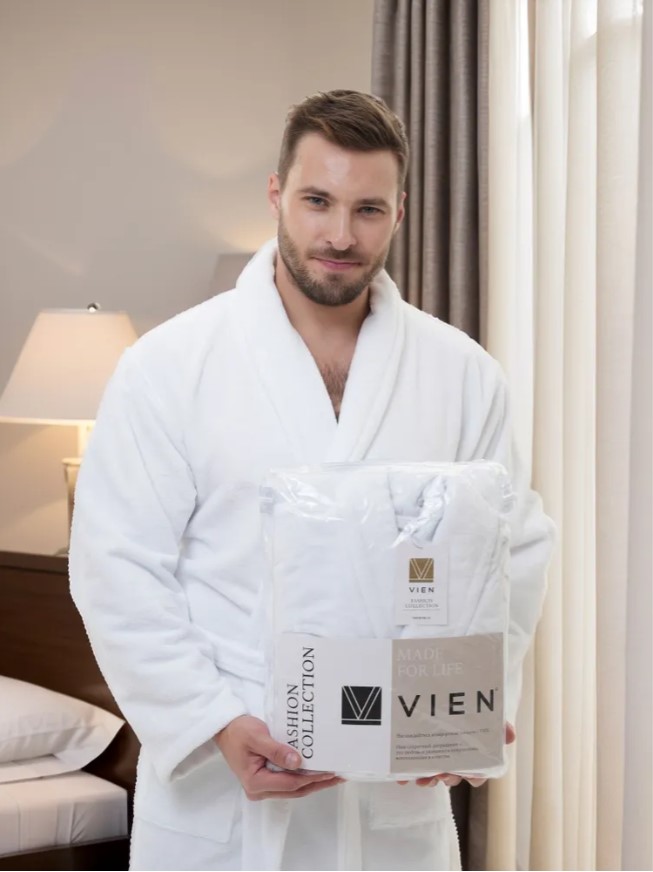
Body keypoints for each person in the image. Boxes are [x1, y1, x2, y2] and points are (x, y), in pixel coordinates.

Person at [69, 89, 554, 871]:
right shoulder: (168, 367)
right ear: (276, 194)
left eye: (367, 209)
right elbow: (116, 569)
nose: (339, 235)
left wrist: (467, 701)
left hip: (392, 801)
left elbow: (511, 554)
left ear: (398, 212)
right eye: (317, 201)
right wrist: (214, 723)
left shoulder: (461, 374)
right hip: (224, 801)